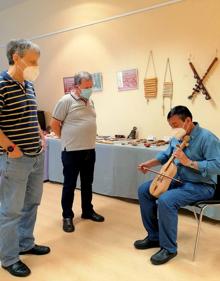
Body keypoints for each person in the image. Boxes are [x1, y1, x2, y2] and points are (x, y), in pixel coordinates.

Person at [134, 105, 220, 265]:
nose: (173, 129)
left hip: (201, 185)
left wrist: (189, 162)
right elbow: (166, 155)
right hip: (177, 179)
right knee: (144, 191)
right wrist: (149, 164)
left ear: (188, 121)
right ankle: (154, 237)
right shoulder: (177, 137)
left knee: (166, 200)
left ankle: (169, 248)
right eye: (171, 125)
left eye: (175, 124)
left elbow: (218, 165)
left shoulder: (208, 138)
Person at [0, 39, 50, 277]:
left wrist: (41, 137)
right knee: (10, 210)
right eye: (32, 61)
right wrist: (11, 148)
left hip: (36, 156)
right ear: (16, 58)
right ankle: (9, 258)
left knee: (32, 203)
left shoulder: (29, 85)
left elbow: (32, 116)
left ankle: (25, 243)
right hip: (15, 160)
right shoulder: (1, 84)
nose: (36, 66)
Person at [51, 71, 104, 233]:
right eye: (86, 87)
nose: (89, 89)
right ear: (76, 86)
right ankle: (67, 216)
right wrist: (65, 139)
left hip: (89, 150)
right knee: (70, 185)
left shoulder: (90, 101)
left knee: (87, 183)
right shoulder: (66, 100)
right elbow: (54, 124)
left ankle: (87, 211)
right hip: (72, 151)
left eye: (91, 86)